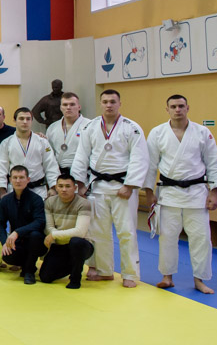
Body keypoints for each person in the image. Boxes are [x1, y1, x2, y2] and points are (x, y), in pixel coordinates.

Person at [142, 94, 217, 294]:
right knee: (167, 238)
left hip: (197, 193)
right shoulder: (157, 133)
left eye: (181, 106)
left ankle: (200, 280)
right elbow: (150, 164)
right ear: (167, 109)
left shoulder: (203, 132)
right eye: (173, 106)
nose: (177, 110)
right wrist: (148, 191)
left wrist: (215, 192)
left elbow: (213, 163)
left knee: (201, 239)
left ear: (188, 108)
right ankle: (167, 277)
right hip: (168, 193)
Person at [70, 89, 148, 288]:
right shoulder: (90, 127)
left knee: (126, 231)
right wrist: (80, 184)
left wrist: (129, 185)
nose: (109, 105)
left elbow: (139, 158)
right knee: (99, 231)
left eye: (113, 101)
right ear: (100, 104)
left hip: (123, 187)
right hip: (98, 185)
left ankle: (130, 274)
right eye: (105, 101)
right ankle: (104, 270)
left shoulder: (132, 128)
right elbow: (81, 155)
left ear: (120, 103)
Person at [0, 166, 47, 284]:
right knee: (8, 255)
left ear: (28, 179)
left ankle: (29, 271)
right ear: (10, 180)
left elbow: (39, 222)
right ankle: (25, 265)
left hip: (36, 241)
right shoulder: (6, 200)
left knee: (35, 236)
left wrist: (17, 232)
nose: (18, 181)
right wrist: (4, 242)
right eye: (15, 177)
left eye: (21, 177)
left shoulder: (36, 199)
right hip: (17, 241)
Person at [40, 174, 94, 289]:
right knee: (45, 277)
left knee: (76, 242)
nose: (64, 189)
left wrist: (54, 234)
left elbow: (80, 232)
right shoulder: (49, 202)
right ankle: (73, 264)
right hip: (59, 245)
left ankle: (75, 278)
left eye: (68, 186)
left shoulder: (84, 203)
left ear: (75, 188)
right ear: (56, 187)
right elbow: (49, 227)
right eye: (60, 186)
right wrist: (54, 235)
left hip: (81, 245)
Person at [0, 107, 60, 199]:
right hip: (14, 190)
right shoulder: (6, 143)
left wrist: (53, 187)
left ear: (31, 121)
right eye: (21, 119)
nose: (25, 122)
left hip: (38, 189)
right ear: (14, 121)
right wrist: (2, 191)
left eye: (28, 119)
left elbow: (51, 165)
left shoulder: (42, 142)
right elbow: (1, 168)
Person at [45, 92, 91, 177]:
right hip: (59, 174)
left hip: (82, 174)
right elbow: (49, 153)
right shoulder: (52, 127)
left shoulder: (90, 125)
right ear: (60, 107)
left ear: (79, 107)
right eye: (65, 105)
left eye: (72, 104)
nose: (68, 107)